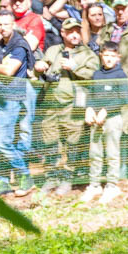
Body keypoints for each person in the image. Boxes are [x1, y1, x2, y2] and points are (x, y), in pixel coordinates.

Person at [33, 17, 97, 190]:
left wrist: (74, 66)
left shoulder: (88, 54)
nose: (74, 35)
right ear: (62, 33)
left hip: (74, 106)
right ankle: (52, 176)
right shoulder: (53, 50)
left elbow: (93, 75)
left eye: (77, 31)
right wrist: (39, 66)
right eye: (70, 32)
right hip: (50, 104)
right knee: (50, 141)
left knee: (72, 143)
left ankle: (68, 177)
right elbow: (42, 68)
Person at [0, 12, 35, 193]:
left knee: (2, 142)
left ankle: (25, 176)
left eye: (6, 24)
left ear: (13, 25)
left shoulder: (19, 45)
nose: (2, 28)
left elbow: (9, 71)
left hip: (11, 98)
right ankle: (2, 181)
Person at [82, 42, 128, 203]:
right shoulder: (96, 74)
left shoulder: (120, 75)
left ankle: (111, 185)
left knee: (112, 153)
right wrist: (89, 109)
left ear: (118, 57)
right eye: (106, 55)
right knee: (95, 153)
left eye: (112, 56)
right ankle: (94, 184)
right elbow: (91, 94)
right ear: (101, 55)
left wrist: (106, 110)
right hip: (96, 120)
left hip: (113, 119)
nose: (109, 59)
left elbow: (124, 99)